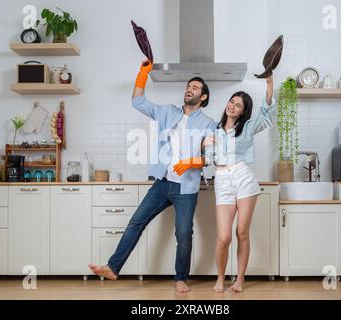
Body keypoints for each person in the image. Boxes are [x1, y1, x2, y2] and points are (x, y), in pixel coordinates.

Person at [89, 59, 216, 293]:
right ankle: (113, 267)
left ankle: (181, 278)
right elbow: (137, 101)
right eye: (188, 86)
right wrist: (142, 74)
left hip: (186, 188)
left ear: (204, 97)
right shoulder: (167, 112)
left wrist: (192, 162)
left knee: (184, 234)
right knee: (136, 223)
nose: (190, 89)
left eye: (195, 87)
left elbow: (211, 156)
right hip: (162, 183)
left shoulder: (209, 124)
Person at [192, 76, 275, 292]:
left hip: (243, 177)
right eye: (232, 101)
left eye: (238, 105)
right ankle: (220, 277)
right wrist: (204, 146)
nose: (233, 106)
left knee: (242, 233)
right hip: (222, 180)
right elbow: (208, 161)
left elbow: (266, 114)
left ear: (243, 111)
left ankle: (239, 280)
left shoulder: (247, 127)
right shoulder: (214, 131)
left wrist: (269, 85)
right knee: (224, 237)